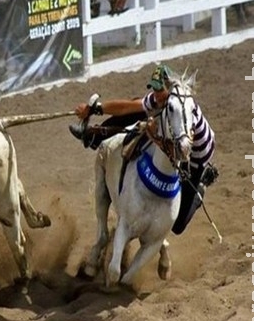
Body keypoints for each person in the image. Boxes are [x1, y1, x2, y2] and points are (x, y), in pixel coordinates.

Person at [69, 65, 218, 235]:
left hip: (194, 156)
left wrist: (153, 134)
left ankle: (201, 186)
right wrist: (96, 109)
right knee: (138, 109)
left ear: (168, 89)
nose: (155, 93)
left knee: (177, 226)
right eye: (153, 88)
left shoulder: (182, 108)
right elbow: (127, 107)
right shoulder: (162, 99)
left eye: (158, 89)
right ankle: (93, 135)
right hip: (174, 135)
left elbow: (177, 152)